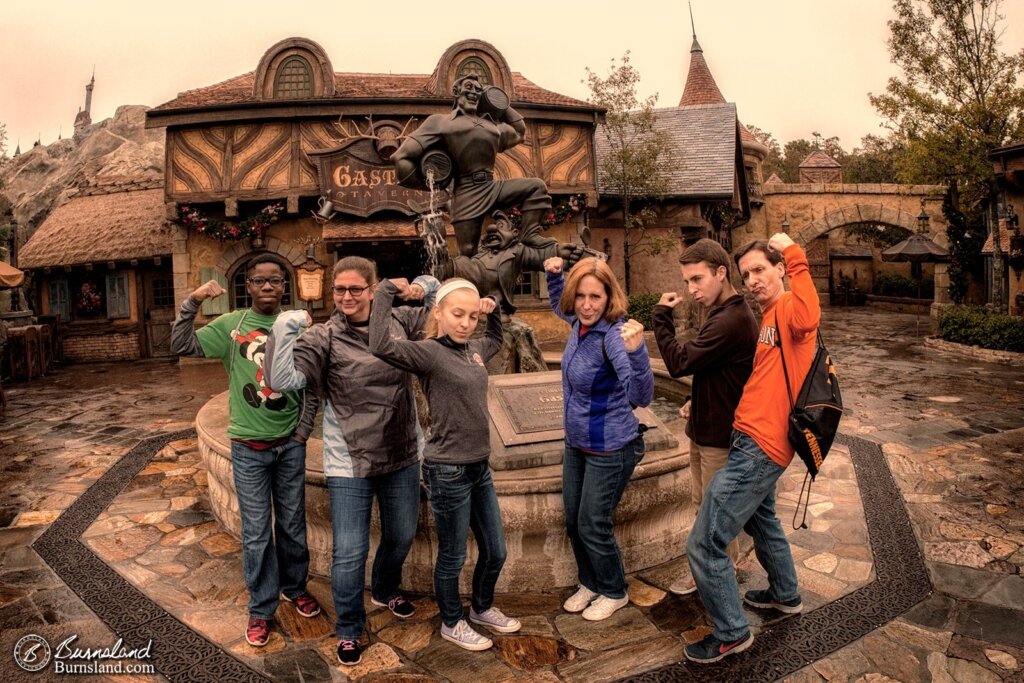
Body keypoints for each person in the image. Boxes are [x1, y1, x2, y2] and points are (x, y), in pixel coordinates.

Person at [262, 256, 439, 666]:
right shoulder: (324, 337)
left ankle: (385, 586)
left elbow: (440, 301)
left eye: (355, 289)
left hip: (402, 451)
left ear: (373, 290)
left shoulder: (399, 322)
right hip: (349, 462)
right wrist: (286, 327)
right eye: (339, 289)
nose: (345, 296)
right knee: (348, 551)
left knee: (400, 533)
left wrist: (416, 286)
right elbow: (279, 380)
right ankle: (348, 629)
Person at [169, 253, 321, 648]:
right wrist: (194, 301)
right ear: (249, 287)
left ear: (284, 286)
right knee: (256, 533)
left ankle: (295, 587)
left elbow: (312, 386)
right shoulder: (232, 326)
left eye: (275, 280)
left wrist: (302, 434)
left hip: (289, 445)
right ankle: (260, 607)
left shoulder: (300, 327)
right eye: (259, 281)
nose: (268, 286)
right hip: (248, 447)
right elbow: (180, 343)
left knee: (292, 525)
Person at [684, 232, 820, 664]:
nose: (754, 280)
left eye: (761, 269)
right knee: (763, 523)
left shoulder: (790, 311)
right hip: (749, 438)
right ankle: (785, 594)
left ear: (779, 269)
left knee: (704, 543)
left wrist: (794, 253)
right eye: (747, 274)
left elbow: (811, 313)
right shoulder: (767, 316)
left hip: (761, 447)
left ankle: (731, 632)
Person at [369, 277, 521, 651]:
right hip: (447, 469)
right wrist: (387, 292)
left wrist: (494, 311)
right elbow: (380, 344)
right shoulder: (428, 352)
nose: (466, 322)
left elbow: (497, 340)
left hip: (479, 468)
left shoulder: (474, 349)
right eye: (458, 314)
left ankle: (482, 607)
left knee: (496, 550)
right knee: (452, 555)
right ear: (438, 312)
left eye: (471, 316)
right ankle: (452, 622)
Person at [543, 256, 654, 621]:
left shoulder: (615, 338)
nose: (587, 305)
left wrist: (638, 353)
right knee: (574, 520)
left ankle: (614, 589)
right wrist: (555, 276)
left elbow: (641, 396)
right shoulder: (577, 322)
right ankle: (589, 581)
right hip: (577, 443)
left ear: (609, 299)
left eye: (596, 297)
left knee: (593, 523)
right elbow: (559, 304)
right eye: (581, 296)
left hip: (610, 447)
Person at [650, 239, 758, 595]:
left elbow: (681, 362)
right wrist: (696, 398)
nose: (691, 289)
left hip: (720, 437)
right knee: (701, 508)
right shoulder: (720, 313)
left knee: (714, 520)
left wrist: (660, 318)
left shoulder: (731, 319)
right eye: (687, 282)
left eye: (697, 279)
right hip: (703, 428)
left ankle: (719, 588)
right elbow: (717, 370)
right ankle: (709, 573)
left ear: (721, 272)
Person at [391, 74, 555, 258]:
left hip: (491, 186)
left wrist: (497, 100)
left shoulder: (492, 125)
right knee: (468, 253)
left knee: (537, 186)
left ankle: (530, 235)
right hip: (466, 192)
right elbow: (401, 156)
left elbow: (520, 131)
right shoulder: (440, 122)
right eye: (469, 87)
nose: (474, 92)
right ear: (455, 91)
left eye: (479, 90)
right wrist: (429, 185)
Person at [429, 209, 584, 315]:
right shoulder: (481, 250)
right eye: (492, 227)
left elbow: (539, 257)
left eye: (500, 226)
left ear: (514, 233)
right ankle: (437, 240)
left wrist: (557, 252)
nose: (491, 229)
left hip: (497, 301)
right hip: (473, 279)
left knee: (457, 266)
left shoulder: (517, 250)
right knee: (452, 266)